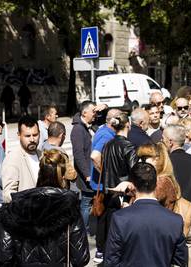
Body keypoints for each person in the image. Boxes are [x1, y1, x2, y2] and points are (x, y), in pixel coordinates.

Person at [0, 149, 90, 267]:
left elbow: (5, 254)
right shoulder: (70, 208)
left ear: (40, 172)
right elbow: (81, 258)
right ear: (62, 177)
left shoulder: (17, 206)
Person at [104, 162, 187, 267]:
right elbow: (180, 261)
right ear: (156, 183)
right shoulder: (175, 220)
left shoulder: (120, 218)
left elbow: (111, 261)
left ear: (133, 185)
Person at [137, 143, 191, 267]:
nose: (141, 161)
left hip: (167, 233)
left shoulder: (162, 181)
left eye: (145, 157)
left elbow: (143, 203)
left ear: (157, 159)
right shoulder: (163, 177)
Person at [94, 112, 138, 263]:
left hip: (108, 193)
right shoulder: (127, 145)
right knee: (122, 237)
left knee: (110, 235)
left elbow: (103, 165)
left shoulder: (108, 144)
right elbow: (134, 171)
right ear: (128, 125)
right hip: (123, 194)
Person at [2, 115, 41, 202]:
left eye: (35, 135)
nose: (32, 139)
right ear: (19, 135)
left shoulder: (41, 154)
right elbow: (8, 194)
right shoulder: (13, 158)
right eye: (27, 136)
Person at [71, 100, 96, 231]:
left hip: (91, 172)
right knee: (86, 203)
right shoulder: (78, 130)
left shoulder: (87, 126)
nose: (95, 114)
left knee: (89, 202)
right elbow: (78, 154)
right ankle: (83, 231)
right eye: (93, 111)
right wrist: (87, 174)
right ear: (84, 112)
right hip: (87, 174)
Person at [162, 125, 191, 203]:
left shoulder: (167, 161)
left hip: (171, 209)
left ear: (170, 142)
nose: (161, 140)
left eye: (163, 138)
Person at [90, 108, 122, 192]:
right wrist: (107, 176)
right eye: (121, 119)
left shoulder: (103, 129)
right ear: (114, 121)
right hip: (102, 187)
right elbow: (94, 156)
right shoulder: (107, 136)